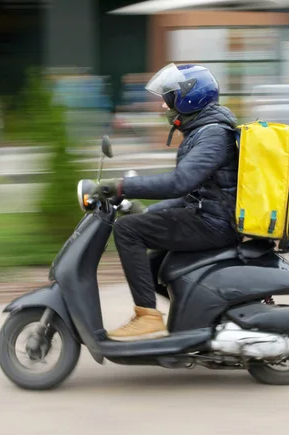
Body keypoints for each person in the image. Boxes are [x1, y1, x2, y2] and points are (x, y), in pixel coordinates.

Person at [93, 63, 240, 342]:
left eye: (169, 98)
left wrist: (124, 187)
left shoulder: (212, 134)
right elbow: (190, 193)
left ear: (188, 98)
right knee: (153, 266)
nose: (164, 106)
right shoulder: (203, 130)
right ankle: (190, 324)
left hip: (215, 223)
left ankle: (147, 317)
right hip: (208, 215)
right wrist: (149, 210)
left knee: (128, 231)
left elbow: (179, 183)